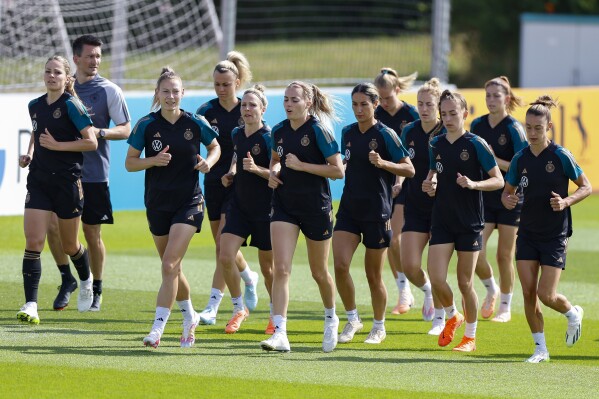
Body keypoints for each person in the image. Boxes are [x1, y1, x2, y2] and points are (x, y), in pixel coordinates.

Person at [125, 67, 220, 348]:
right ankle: (190, 316)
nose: (170, 96)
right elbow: (130, 162)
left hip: (189, 202)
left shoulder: (194, 122)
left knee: (169, 264)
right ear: (157, 94)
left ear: (183, 93)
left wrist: (209, 162)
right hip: (157, 204)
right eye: (165, 91)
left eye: (175, 91)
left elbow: (215, 146)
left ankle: (157, 329)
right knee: (173, 269)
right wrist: (151, 161)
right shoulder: (146, 125)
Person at [502, 95, 591, 363]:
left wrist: (566, 201)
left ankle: (572, 313)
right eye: (528, 127)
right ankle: (540, 349)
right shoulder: (520, 159)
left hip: (555, 235)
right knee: (529, 293)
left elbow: (585, 186)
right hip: (527, 232)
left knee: (546, 294)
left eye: (538, 128)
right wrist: (509, 200)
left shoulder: (561, 155)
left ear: (548, 127)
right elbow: (506, 194)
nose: (532, 132)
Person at [46, 34, 131, 312]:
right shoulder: (64, 89)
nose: (95, 61)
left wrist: (100, 132)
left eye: (98, 56)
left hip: (94, 174)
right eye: (90, 56)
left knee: (92, 234)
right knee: (53, 230)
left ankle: (97, 289)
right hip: (62, 173)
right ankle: (67, 279)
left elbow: (126, 129)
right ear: (76, 59)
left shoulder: (109, 90)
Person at [260, 81, 343, 353]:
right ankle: (280, 332)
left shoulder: (319, 130)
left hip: (315, 207)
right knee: (281, 268)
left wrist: (302, 166)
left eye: (294, 99)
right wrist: (274, 171)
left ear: (307, 103)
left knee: (319, 272)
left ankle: (331, 317)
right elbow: (275, 159)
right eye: (285, 99)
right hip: (284, 205)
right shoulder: (280, 130)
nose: (288, 104)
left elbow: (337, 170)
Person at [17, 55, 98, 324]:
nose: (51, 76)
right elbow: (35, 130)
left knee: (70, 244)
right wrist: (29, 153)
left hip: (67, 182)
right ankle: (30, 304)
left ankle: (85, 280)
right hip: (39, 180)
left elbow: (91, 143)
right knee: (34, 241)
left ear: (66, 78)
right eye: (48, 72)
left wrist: (58, 146)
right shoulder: (35, 105)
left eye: (57, 73)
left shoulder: (72, 105)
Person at [422, 90, 503, 352]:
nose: (447, 118)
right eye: (443, 114)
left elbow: (498, 180)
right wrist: (430, 182)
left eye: (453, 113)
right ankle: (453, 314)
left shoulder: (476, 143)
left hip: (470, 222)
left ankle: (470, 337)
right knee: (435, 278)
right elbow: (434, 172)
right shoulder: (436, 143)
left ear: (465, 114)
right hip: (442, 219)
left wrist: (473, 184)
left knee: (465, 282)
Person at [334, 83, 414, 345]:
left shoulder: (386, 134)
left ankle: (379, 326)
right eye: (355, 104)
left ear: (375, 105)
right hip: (348, 209)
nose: (358, 109)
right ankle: (352, 318)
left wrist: (383, 163)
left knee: (373, 275)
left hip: (377, 212)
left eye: (364, 104)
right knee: (340, 264)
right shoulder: (347, 132)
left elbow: (409, 169)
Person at [196, 51, 259, 325]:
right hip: (213, 181)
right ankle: (247, 276)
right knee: (221, 246)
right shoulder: (205, 112)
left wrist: (235, 170)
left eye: (227, 84)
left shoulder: (245, 109)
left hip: (239, 182)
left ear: (237, 82)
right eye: (217, 84)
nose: (222, 89)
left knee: (224, 245)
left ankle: (212, 305)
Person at [471, 76, 527, 322]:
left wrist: (494, 159)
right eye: (488, 96)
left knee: (504, 255)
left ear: (507, 98)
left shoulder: (514, 128)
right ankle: (491, 288)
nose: (491, 100)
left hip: (510, 197)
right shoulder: (477, 125)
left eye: (496, 95)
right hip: (484, 197)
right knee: (475, 252)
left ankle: (505, 306)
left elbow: (524, 165)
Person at [219, 85, 274, 334]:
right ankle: (238, 308)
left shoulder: (271, 137)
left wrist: (256, 170)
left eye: (253, 105)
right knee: (225, 255)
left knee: (268, 269)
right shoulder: (237, 134)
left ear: (263, 109)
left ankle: (276, 316)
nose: (247, 109)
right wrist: (232, 173)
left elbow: (278, 175)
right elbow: (236, 156)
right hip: (239, 205)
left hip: (267, 210)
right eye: (244, 105)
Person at [399, 78, 447, 335]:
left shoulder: (446, 131)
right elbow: (403, 162)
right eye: (420, 104)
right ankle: (427, 291)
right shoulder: (409, 131)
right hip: (415, 205)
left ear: (438, 105)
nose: (424, 108)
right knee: (409, 265)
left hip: (442, 208)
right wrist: (397, 182)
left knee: (435, 266)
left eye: (429, 104)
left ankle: (440, 317)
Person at [373, 67, 420, 315]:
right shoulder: (376, 114)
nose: (383, 103)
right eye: (379, 98)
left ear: (398, 90)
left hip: (410, 180)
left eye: (388, 97)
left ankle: (423, 287)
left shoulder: (412, 114)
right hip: (386, 184)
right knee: (391, 238)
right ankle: (404, 290)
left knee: (402, 238)